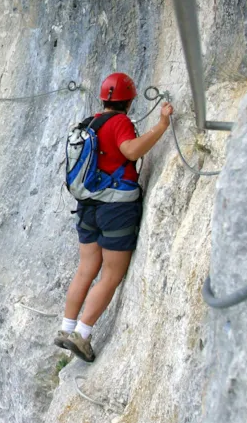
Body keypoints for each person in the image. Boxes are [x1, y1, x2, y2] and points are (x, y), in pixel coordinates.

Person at [55, 72, 173, 362]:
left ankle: (65, 327)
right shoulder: (120, 122)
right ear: (130, 101)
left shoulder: (91, 122)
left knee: (86, 268)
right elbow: (130, 151)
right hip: (116, 208)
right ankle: (81, 335)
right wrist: (161, 125)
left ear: (103, 98)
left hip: (88, 205)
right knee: (111, 273)